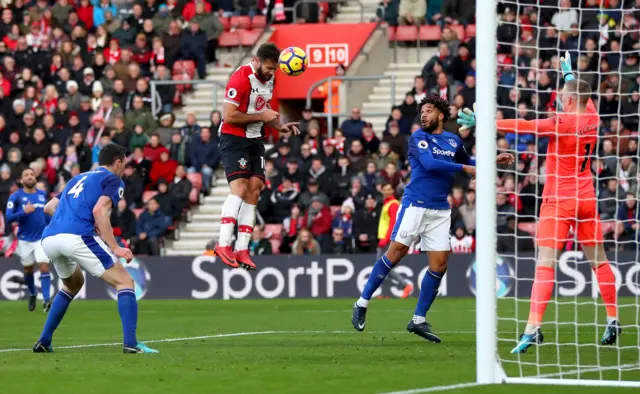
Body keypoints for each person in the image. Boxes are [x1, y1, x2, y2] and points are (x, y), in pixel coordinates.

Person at [457, 52, 620, 352]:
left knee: (545, 265)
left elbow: (526, 125)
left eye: (562, 97)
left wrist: (485, 121)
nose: (559, 100)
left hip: (559, 201)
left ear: (569, 102)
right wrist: (569, 74)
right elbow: (578, 92)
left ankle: (533, 327)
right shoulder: (593, 114)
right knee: (600, 262)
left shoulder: (562, 121)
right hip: (586, 197)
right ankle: (612, 319)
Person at [351, 94, 514, 341]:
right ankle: (362, 303)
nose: (423, 115)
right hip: (415, 203)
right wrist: (467, 169)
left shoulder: (452, 140)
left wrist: (492, 160)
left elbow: (468, 161)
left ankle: (418, 320)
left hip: (440, 209)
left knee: (439, 265)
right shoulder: (419, 137)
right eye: (421, 112)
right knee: (395, 253)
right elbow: (431, 164)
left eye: (428, 111)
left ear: (440, 113)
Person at [32, 143, 158, 354]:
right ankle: (131, 344)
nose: (123, 169)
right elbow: (100, 210)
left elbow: (49, 207)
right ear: (118, 162)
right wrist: (115, 247)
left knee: (73, 284)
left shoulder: (77, 178)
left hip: (50, 238)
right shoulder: (112, 180)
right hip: (77, 235)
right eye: (124, 164)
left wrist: (68, 223)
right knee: (125, 281)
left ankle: (44, 341)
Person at [207, 43, 299, 270]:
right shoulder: (240, 78)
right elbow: (229, 116)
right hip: (233, 138)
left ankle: (242, 248)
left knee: (255, 189)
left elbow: (264, 108)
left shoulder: (270, 79)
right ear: (256, 61)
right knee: (239, 188)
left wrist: (279, 126)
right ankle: (223, 244)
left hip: (256, 138)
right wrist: (262, 115)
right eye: (268, 67)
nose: (271, 72)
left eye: (274, 69)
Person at [5, 168, 52, 312]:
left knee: (44, 266)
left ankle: (46, 300)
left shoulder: (43, 195)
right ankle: (32, 293)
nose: (30, 177)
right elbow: (9, 217)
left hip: (41, 238)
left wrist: (53, 227)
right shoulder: (16, 197)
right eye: (26, 175)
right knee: (28, 270)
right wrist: (23, 212)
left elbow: (48, 215)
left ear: (35, 178)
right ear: (22, 180)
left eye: (32, 174)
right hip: (25, 239)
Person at [377, 183, 413, 299]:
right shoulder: (387, 204)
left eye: (388, 189)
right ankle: (385, 293)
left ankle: (405, 285)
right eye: (384, 190)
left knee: (383, 267)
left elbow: (393, 223)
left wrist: (386, 238)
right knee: (383, 267)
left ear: (393, 191)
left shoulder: (392, 204)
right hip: (384, 239)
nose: (386, 192)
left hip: (386, 240)